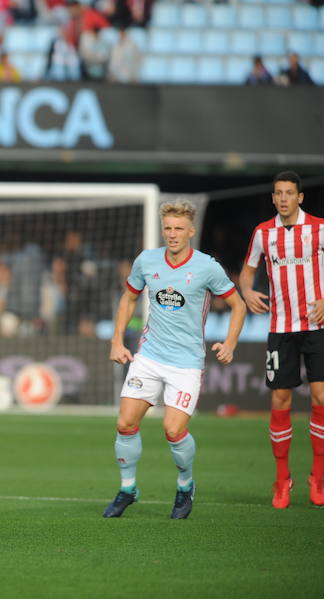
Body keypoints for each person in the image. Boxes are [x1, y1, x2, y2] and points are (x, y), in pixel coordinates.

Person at [105, 200, 246, 519]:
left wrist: (230, 343)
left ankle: (185, 485)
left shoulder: (207, 267)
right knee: (125, 422)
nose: (172, 234)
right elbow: (129, 298)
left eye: (179, 228)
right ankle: (128, 489)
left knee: (173, 430)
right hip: (149, 357)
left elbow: (238, 305)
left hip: (186, 364)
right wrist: (116, 341)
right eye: (168, 228)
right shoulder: (147, 260)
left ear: (191, 231)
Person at [239, 171, 324, 508]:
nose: (284, 198)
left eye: (290, 193)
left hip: (317, 327)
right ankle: (281, 479)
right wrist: (246, 291)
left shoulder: (319, 228)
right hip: (281, 328)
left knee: (320, 398)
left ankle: (318, 477)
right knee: (280, 402)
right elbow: (247, 270)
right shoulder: (263, 233)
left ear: (300, 197)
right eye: (278, 193)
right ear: (273, 198)